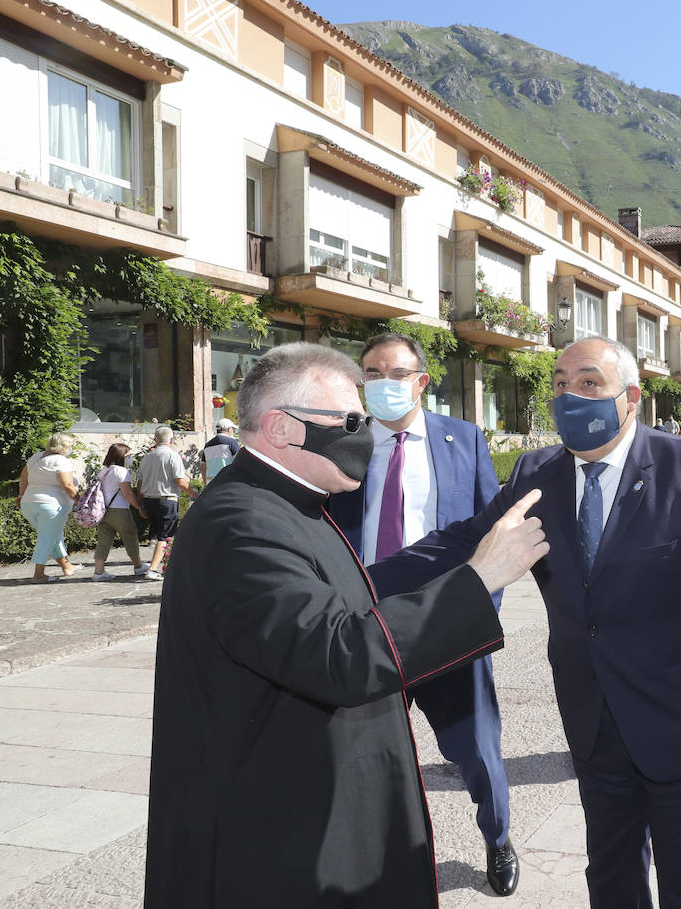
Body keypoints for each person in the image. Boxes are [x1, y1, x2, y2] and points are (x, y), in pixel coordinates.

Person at [370, 336, 681, 909]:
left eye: (588, 383)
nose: (569, 396)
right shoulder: (539, 473)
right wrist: (361, 575)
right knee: (610, 876)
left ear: (630, 397)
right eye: (559, 384)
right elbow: (465, 541)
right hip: (592, 719)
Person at [144, 343, 546, 907]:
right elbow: (338, 653)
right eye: (348, 421)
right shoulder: (243, 523)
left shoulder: (293, 504)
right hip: (277, 825)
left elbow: (381, 580)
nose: (363, 432)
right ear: (281, 428)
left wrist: (505, 514)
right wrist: (477, 581)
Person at [326, 332, 518, 896]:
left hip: (444, 618)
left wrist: (479, 608)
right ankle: (363, 854)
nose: (383, 383)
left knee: (477, 747)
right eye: (372, 372)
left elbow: (490, 528)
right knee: (359, 750)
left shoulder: (464, 438)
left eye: (395, 373)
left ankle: (498, 838)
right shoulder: (342, 445)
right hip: (365, 622)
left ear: (421, 380)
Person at [17, 432, 81, 584]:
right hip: (52, 505)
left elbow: (24, 477)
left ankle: (67, 567)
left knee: (53, 535)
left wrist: (21, 495)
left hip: (29, 504)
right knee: (47, 539)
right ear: (64, 446)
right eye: (70, 445)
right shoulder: (62, 461)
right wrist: (81, 501)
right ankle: (38, 575)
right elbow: (68, 485)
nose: (71, 448)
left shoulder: (36, 457)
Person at [135, 426, 190, 580]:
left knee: (165, 535)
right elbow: (180, 481)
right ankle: (153, 569)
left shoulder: (147, 457)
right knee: (164, 536)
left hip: (149, 499)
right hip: (166, 500)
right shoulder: (172, 455)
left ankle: (168, 566)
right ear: (171, 440)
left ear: (155, 440)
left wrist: (140, 504)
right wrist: (195, 494)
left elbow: (140, 482)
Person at [91, 443, 149, 581]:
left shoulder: (103, 471)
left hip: (104, 511)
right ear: (120, 456)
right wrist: (139, 507)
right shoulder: (121, 472)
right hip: (120, 510)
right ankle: (138, 566)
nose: (130, 458)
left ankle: (98, 572)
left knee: (104, 541)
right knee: (130, 536)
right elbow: (127, 493)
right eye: (128, 455)